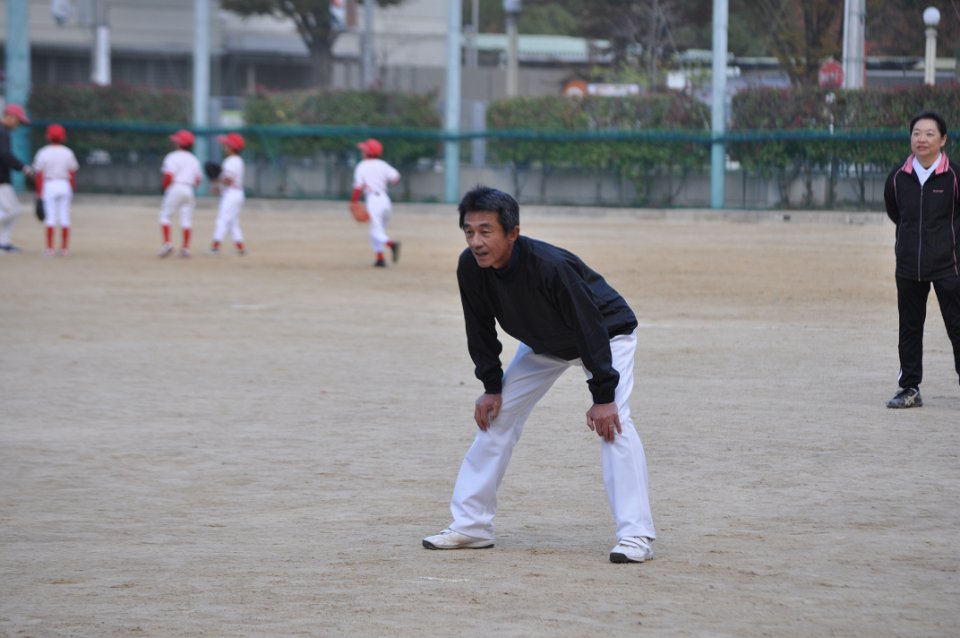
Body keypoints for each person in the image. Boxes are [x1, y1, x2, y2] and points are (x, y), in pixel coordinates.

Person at [422, 186, 656, 564]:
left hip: (606, 335)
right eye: (469, 231)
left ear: (512, 233)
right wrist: (491, 387)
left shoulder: (550, 266)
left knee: (614, 423)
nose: (476, 241)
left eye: (486, 231)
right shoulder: (471, 267)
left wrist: (603, 396)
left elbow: (589, 324)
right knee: (496, 418)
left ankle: (635, 535)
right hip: (545, 343)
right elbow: (479, 327)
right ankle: (472, 526)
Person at [883, 110, 960, 408]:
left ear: (943, 139)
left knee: (957, 327)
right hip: (908, 266)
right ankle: (909, 389)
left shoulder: (954, 176)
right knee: (909, 328)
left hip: (948, 266)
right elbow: (895, 212)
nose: (922, 139)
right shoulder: (898, 177)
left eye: (929, 134)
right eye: (916, 133)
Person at [350, 138, 400, 267]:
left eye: (364, 150)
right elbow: (395, 178)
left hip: (373, 200)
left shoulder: (362, 166)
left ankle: (391, 244)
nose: (362, 152)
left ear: (368, 152)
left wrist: (353, 202)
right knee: (379, 230)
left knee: (375, 232)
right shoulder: (383, 164)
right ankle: (380, 259)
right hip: (385, 200)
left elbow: (358, 187)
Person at [32, 123, 79, 256]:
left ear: (47, 136)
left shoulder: (43, 152)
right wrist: (71, 189)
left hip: (49, 184)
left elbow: (39, 175)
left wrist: (39, 194)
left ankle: (49, 249)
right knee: (64, 217)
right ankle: (64, 249)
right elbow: (72, 173)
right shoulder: (68, 152)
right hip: (64, 184)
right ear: (63, 137)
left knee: (50, 217)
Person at [158, 129, 202, 258]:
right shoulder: (194, 159)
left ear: (178, 143)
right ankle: (185, 248)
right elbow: (197, 180)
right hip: (189, 189)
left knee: (165, 216)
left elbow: (168, 175)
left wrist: (164, 187)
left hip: (176, 187)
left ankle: (167, 243)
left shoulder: (172, 156)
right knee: (186, 219)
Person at [0, 103, 35, 253]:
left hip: (3, 178)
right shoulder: (2, 132)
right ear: (11, 117)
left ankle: (3, 243)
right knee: (11, 210)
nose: (18, 125)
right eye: (18, 121)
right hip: (1, 179)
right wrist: (23, 168)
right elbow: (5, 155)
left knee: (13, 210)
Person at [208, 132, 247, 256]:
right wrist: (219, 187)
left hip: (231, 194)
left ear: (231, 147)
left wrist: (216, 181)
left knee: (222, 219)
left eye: (226, 145)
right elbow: (229, 181)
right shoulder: (238, 160)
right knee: (232, 222)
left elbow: (228, 180)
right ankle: (240, 247)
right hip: (236, 192)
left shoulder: (231, 161)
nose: (224, 147)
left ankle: (215, 247)